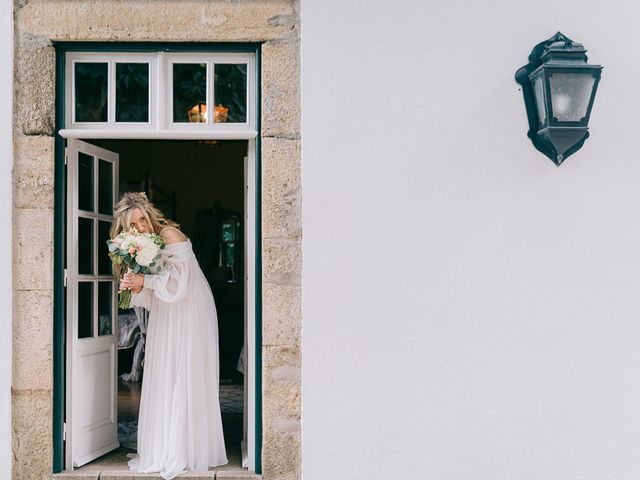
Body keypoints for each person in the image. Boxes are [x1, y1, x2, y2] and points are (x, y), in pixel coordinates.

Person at [111, 192, 229, 479]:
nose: (141, 227)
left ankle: (185, 448)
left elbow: (181, 283)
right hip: (168, 309)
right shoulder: (140, 245)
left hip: (190, 308)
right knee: (165, 371)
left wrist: (145, 281)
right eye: (133, 225)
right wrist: (135, 284)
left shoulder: (170, 234)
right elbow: (155, 290)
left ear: (149, 214)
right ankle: (164, 444)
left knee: (184, 371)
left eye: (142, 219)